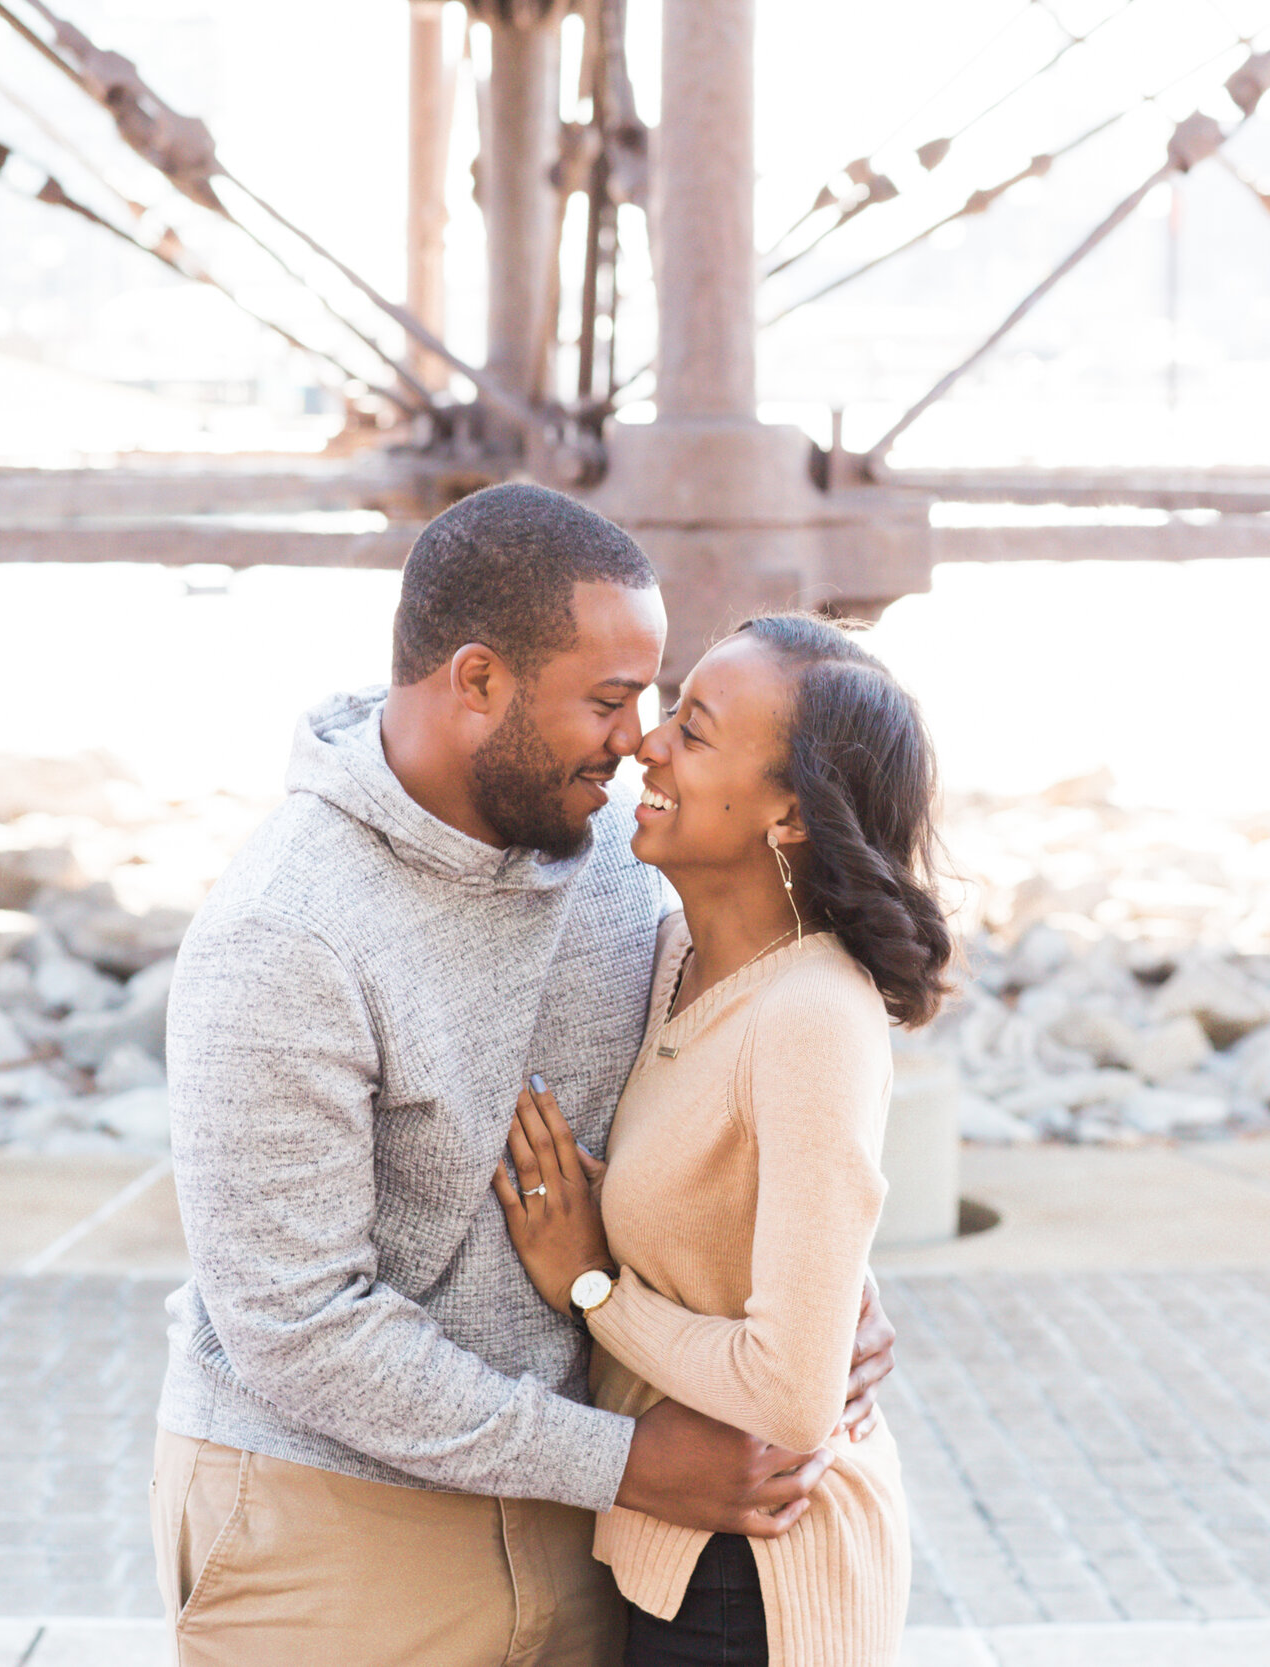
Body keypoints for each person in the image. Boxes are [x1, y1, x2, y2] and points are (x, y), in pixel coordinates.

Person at [149, 486, 896, 1667]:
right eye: (609, 701)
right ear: (479, 680)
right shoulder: (282, 933)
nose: (639, 739)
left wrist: (813, 1286)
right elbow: (293, 1324)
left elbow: (728, 1088)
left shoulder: (616, 847)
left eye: (655, 705)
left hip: (602, 1527)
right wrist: (628, 1457)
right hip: (339, 1526)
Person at [494, 614, 950, 1667]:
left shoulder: (810, 1016)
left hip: (763, 1575)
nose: (647, 743)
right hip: (680, 1551)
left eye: (692, 731)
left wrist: (592, 1286)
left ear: (789, 811)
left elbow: (793, 1393)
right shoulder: (673, 955)